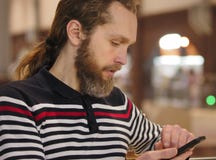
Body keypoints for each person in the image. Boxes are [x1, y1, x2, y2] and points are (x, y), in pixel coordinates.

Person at [0, 0, 195, 159]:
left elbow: (157, 142)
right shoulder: (16, 103)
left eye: (127, 46)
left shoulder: (117, 102)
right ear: (76, 33)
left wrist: (174, 140)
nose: (123, 60)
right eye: (115, 42)